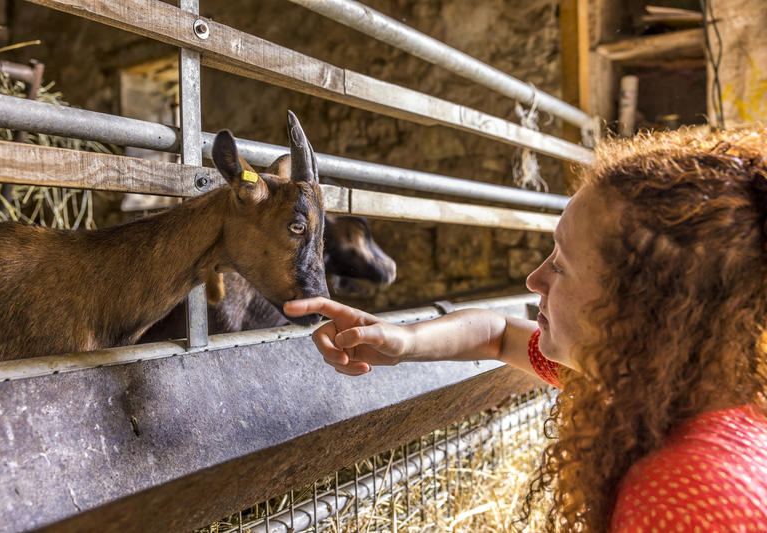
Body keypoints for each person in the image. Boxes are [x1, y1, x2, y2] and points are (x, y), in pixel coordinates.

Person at [285, 125, 767, 532]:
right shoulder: (657, 383)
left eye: (562, 264)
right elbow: (499, 336)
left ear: (643, 308)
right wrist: (404, 341)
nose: (534, 278)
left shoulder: (681, 491)